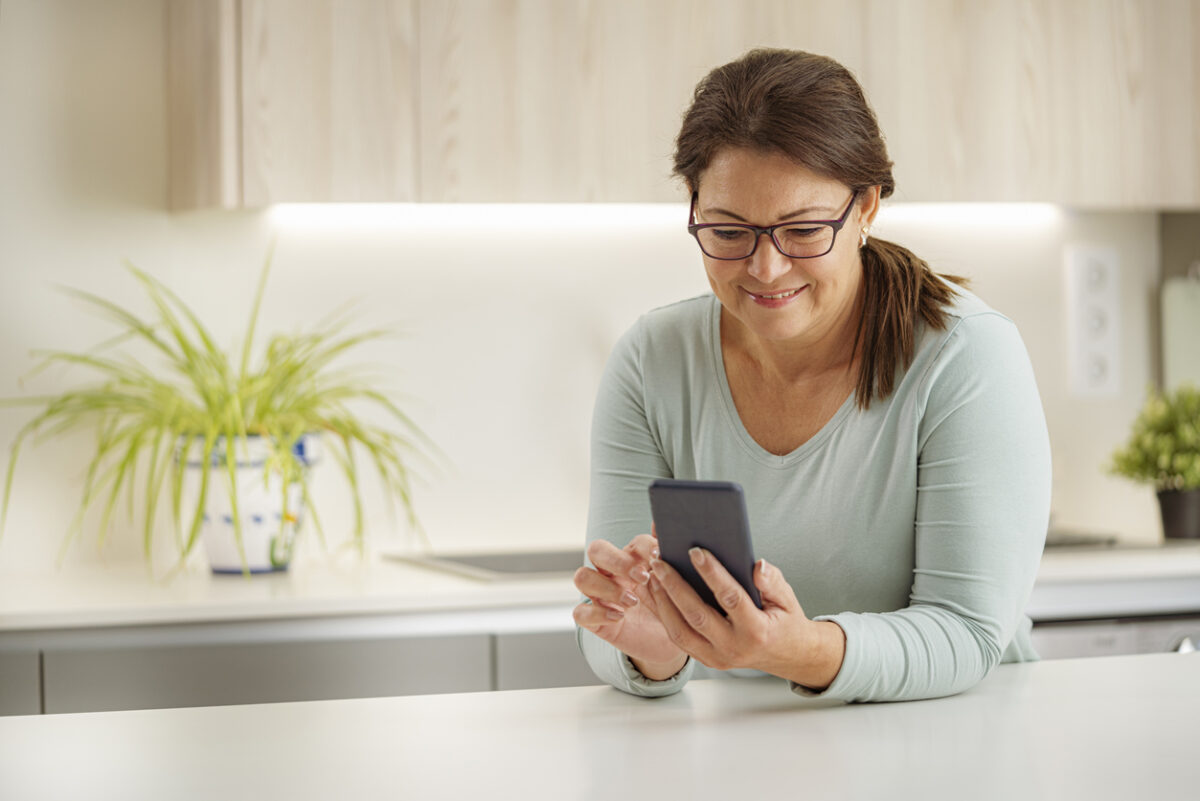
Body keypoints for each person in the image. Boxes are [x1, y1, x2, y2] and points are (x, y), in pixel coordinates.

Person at [572, 48, 1051, 703]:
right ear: (693, 206)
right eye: (730, 230)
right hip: (746, 756)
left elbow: (967, 632)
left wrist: (799, 650)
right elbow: (614, 631)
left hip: (952, 743)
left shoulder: (966, 355)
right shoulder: (651, 362)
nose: (766, 268)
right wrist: (652, 650)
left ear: (866, 208)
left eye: (802, 230)